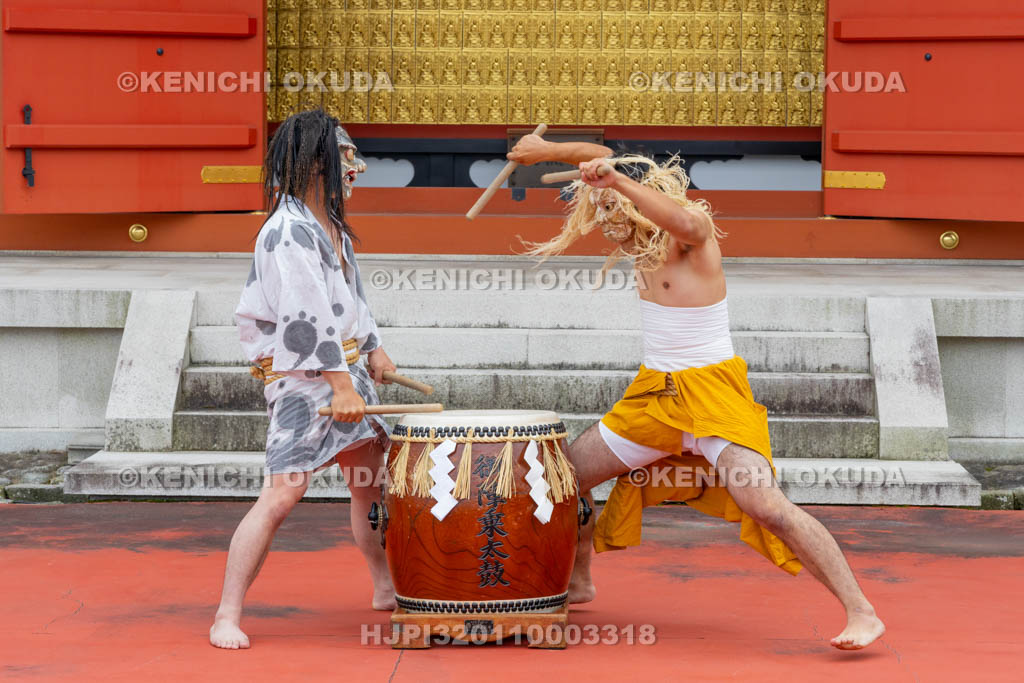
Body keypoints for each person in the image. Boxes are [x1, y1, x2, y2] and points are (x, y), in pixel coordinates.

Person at [513, 136, 885, 651]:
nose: (607, 220)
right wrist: (544, 149)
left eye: (614, 207)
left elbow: (680, 217)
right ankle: (579, 579)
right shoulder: (635, 241)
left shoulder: (691, 236)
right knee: (566, 476)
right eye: (600, 211)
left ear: (643, 199)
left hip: (714, 393)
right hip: (653, 397)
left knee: (767, 506)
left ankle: (861, 610)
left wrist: (616, 181)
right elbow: (602, 154)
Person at [210, 110, 395, 649]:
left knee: (370, 485)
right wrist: (340, 386)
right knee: (283, 493)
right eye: (343, 157)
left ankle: (385, 587)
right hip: (303, 379)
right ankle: (226, 613)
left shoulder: (329, 224)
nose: (354, 167)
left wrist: (377, 350)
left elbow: (350, 299)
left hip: (344, 369)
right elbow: (302, 316)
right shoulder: (289, 230)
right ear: (315, 162)